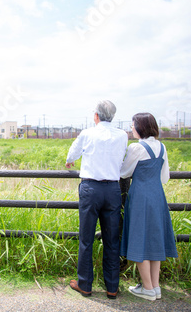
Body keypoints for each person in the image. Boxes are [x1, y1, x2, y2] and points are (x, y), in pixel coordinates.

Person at [65, 100, 128, 299]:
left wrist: (70, 161)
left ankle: (84, 284)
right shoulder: (122, 135)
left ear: (96, 116)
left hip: (91, 188)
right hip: (112, 189)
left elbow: (73, 152)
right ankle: (112, 287)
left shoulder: (87, 133)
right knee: (112, 239)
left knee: (86, 238)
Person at [120, 112, 178, 301]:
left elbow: (124, 172)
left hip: (140, 198)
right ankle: (155, 286)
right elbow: (164, 177)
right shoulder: (162, 147)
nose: (131, 128)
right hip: (157, 196)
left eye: (132, 125)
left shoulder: (136, 148)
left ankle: (146, 288)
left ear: (140, 127)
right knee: (154, 239)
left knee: (139, 238)